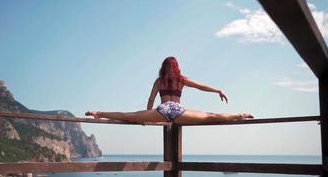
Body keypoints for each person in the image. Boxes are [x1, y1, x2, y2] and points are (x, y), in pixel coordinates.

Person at [85, 56, 253, 124]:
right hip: (179, 111)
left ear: (163, 67)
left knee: (130, 116)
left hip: (163, 110)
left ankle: (99, 112)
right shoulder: (182, 80)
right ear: (176, 67)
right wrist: (217, 90)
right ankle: (240, 115)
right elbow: (201, 86)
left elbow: (151, 100)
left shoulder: (159, 81)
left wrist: (146, 116)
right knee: (210, 116)